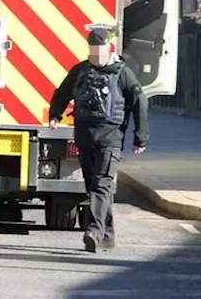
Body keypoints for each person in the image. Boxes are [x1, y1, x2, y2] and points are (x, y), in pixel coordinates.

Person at [47, 27, 148, 253]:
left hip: (110, 139)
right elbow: (63, 92)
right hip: (84, 138)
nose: (97, 57)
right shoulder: (81, 71)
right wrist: (55, 114)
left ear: (108, 48)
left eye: (100, 51)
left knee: (102, 185)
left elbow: (140, 101)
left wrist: (140, 137)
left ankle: (93, 231)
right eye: (93, 52)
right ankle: (107, 236)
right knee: (94, 187)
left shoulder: (122, 73)